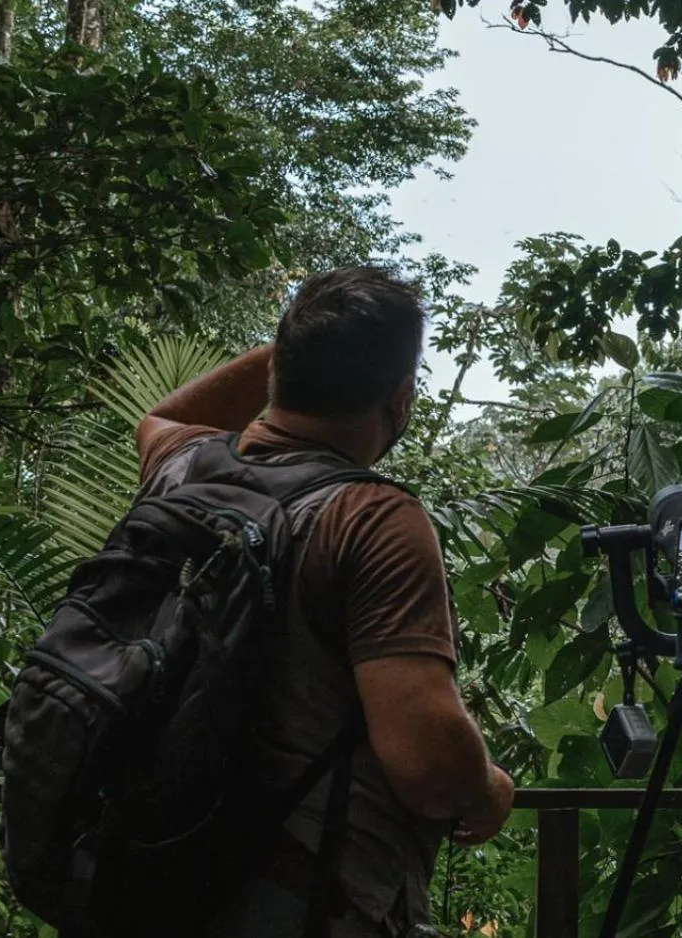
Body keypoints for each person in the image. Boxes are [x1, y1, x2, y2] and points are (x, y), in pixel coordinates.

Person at [134, 266, 515, 937]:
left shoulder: (181, 466)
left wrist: (294, 350)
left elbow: (162, 416)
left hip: (154, 866)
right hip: (301, 895)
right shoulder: (372, 518)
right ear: (399, 402)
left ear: (280, 369)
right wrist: (487, 788)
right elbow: (427, 764)